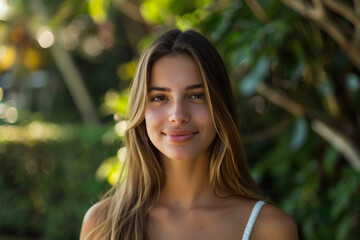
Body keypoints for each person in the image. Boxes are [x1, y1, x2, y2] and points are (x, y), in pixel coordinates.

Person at [79, 29, 298, 240]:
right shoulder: (103, 224)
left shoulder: (270, 228)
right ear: (141, 111)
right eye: (159, 97)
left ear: (220, 107)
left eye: (196, 95)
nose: (178, 115)